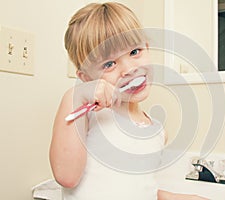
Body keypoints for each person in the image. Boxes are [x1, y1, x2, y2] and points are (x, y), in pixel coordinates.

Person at [49, 2, 208, 200]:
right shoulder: (87, 113)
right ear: (86, 78)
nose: (129, 69)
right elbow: (66, 176)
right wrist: (78, 94)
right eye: (109, 64)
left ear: (147, 48)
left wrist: (173, 197)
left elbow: (137, 189)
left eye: (135, 52)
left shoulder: (157, 132)